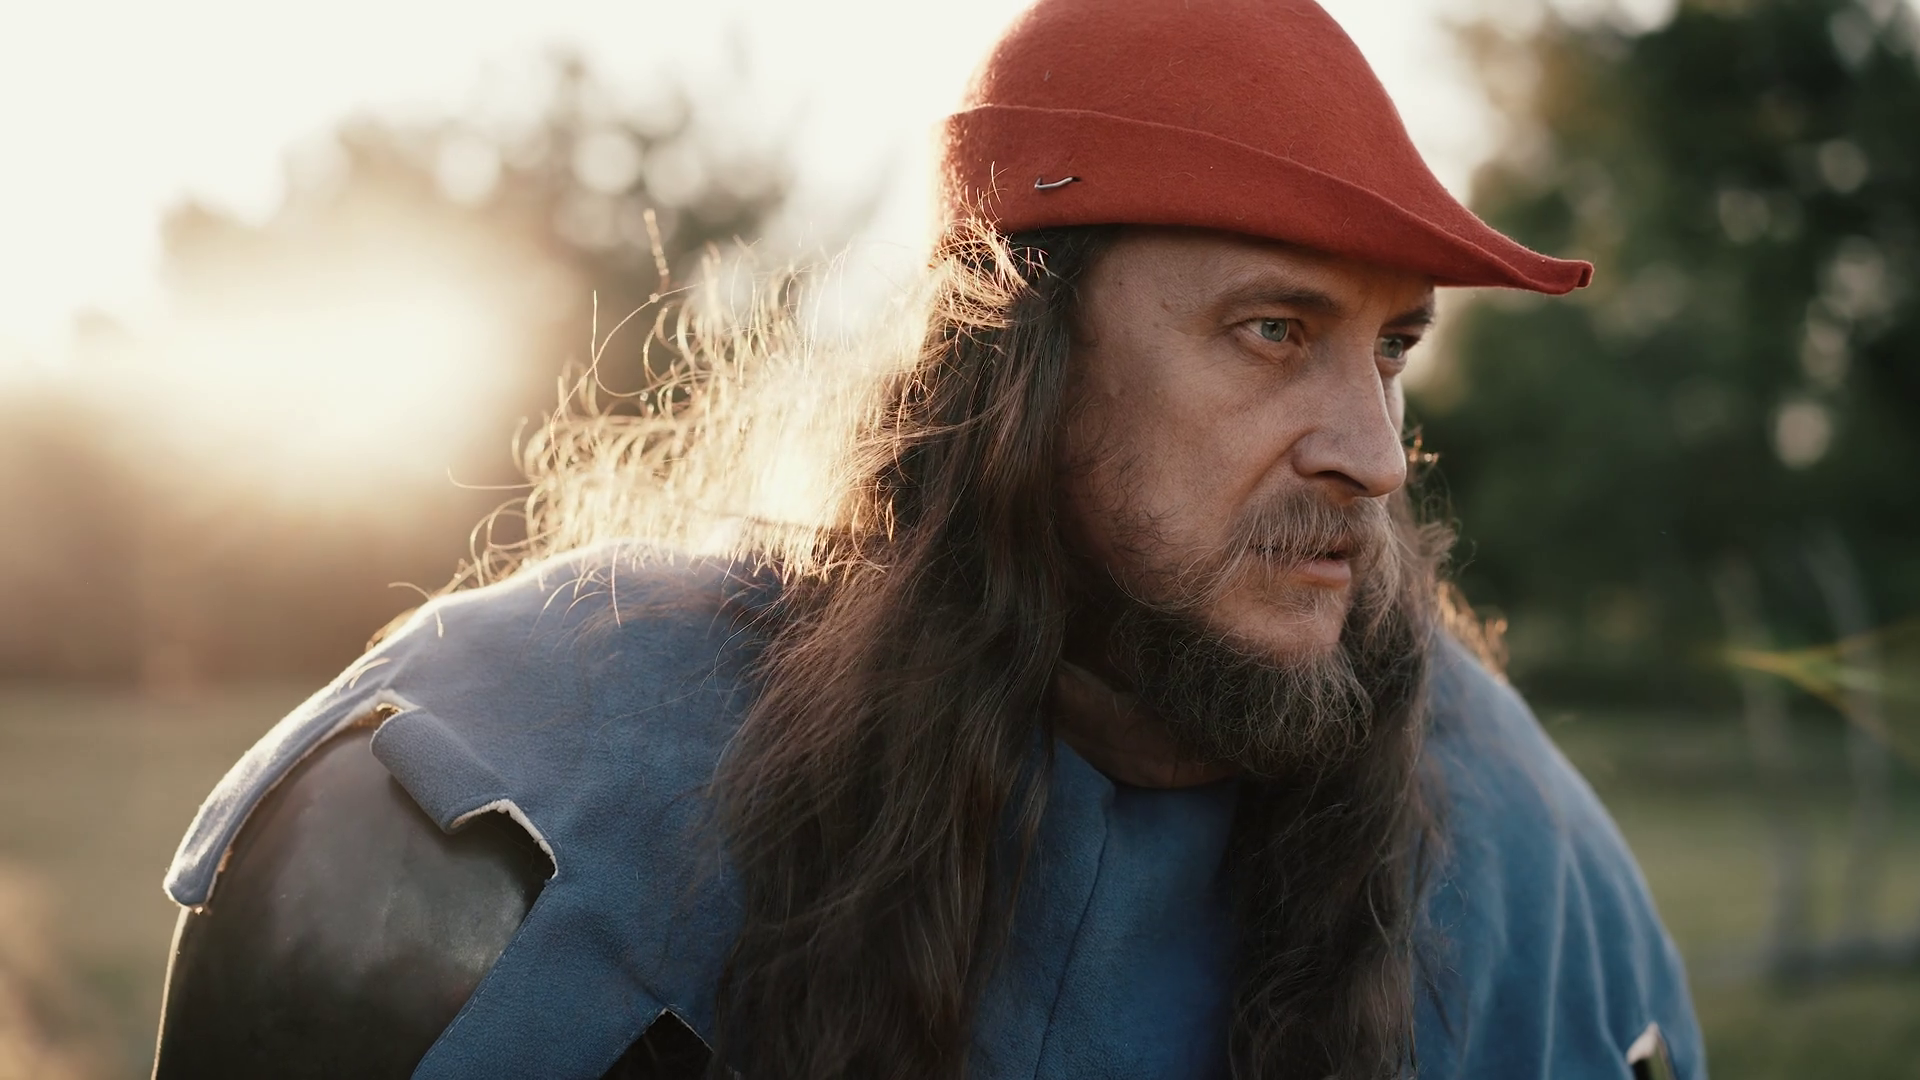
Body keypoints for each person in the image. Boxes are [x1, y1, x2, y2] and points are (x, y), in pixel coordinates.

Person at [151, 1, 1702, 1077]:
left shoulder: (1531, 884)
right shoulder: (520, 801)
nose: (1370, 452)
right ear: (1018, 366)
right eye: (1273, 331)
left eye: (1391, 349)